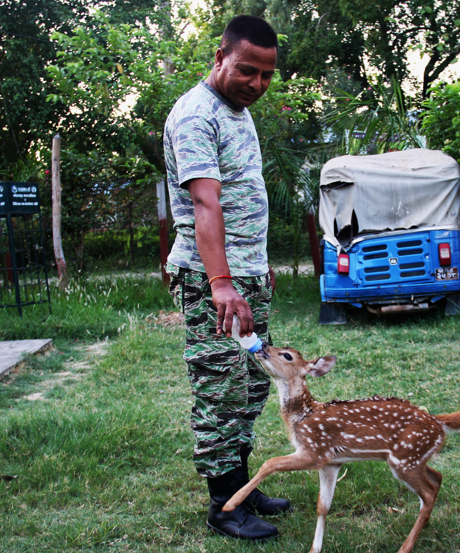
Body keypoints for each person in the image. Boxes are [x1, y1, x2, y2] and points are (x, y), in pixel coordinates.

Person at [163, 15, 287, 542]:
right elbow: (205, 202)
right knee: (220, 389)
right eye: (246, 71)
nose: (256, 84)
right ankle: (224, 506)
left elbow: (240, 192)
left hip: (245, 274)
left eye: (266, 76)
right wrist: (220, 282)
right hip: (210, 280)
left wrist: (256, 265)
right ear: (220, 57)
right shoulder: (196, 115)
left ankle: (242, 483)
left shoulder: (236, 110)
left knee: (251, 383)